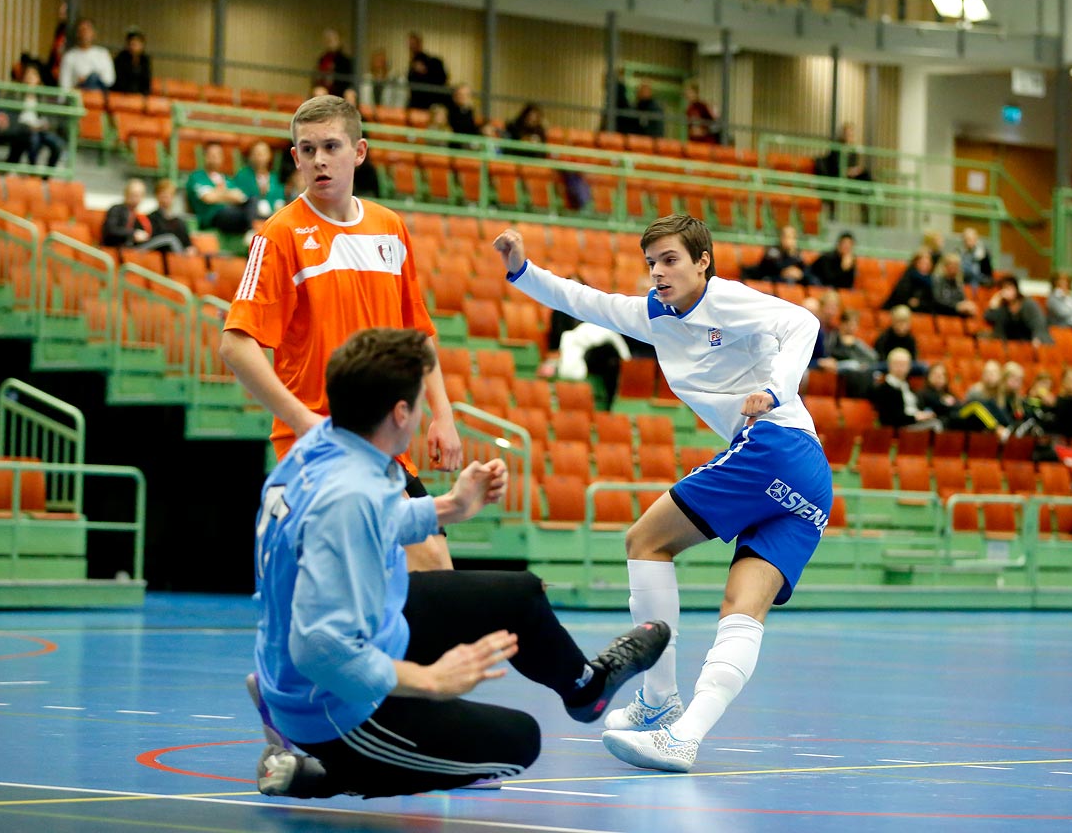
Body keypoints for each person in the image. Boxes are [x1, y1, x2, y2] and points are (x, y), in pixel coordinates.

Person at [249, 327, 670, 799]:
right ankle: (322, 771)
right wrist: (430, 679)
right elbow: (319, 647)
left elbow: (373, 519)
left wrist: (451, 506)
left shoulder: (322, 443)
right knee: (519, 742)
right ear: (401, 412)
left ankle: (586, 690)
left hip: (369, 628)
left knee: (520, 594)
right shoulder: (349, 497)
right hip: (336, 703)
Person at [492, 214, 830, 774]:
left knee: (646, 540)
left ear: (702, 261)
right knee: (742, 613)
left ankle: (657, 701)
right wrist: (522, 272)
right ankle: (684, 738)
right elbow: (585, 300)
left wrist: (774, 389)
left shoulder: (728, 299)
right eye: (651, 263)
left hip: (777, 446)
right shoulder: (654, 316)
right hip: (810, 479)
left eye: (670, 260)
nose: (657, 272)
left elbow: (803, 322)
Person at [220, 94, 463, 573]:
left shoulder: (389, 228)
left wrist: (443, 414)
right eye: (307, 150)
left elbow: (416, 333)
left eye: (331, 146)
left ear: (360, 152)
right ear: (295, 159)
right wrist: (304, 421)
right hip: (319, 449)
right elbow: (235, 344)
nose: (319, 160)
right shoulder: (279, 235)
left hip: (385, 443)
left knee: (430, 570)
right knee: (420, 566)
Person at [188, 143, 258, 236]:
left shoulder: (227, 179)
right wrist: (228, 194)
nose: (214, 158)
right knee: (245, 214)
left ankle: (250, 230)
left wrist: (217, 193)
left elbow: (239, 197)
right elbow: (208, 198)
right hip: (213, 216)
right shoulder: (197, 177)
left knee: (252, 200)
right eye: (211, 155)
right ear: (205, 157)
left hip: (234, 213)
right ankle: (250, 230)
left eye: (217, 155)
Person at [14, 64, 66, 167]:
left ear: (38, 79)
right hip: (24, 128)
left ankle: (47, 174)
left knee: (57, 144)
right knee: (34, 139)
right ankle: (33, 170)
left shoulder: (43, 96)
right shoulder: (16, 94)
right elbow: (12, 117)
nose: (30, 79)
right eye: (27, 75)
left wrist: (46, 124)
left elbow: (50, 117)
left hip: (41, 129)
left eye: (33, 76)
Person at [870, 348, 935, 430]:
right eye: (897, 364)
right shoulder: (883, 389)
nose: (900, 367)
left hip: (915, 423)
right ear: (889, 365)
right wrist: (915, 417)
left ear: (909, 367)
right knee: (936, 426)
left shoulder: (908, 387)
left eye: (904, 364)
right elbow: (889, 419)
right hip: (900, 428)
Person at [983, 276, 1052, 345]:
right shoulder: (1004, 307)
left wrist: (1037, 338)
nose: (1006, 292)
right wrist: (994, 304)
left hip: (1030, 342)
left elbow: (1038, 322)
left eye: (1009, 288)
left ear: (1016, 289)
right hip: (1012, 346)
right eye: (1003, 289)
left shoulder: (1028, 304)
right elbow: (988, 317)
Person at [826, 309, 879, 397]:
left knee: (874, 372)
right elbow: (829, 354)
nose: (852, 328)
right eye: (850, 324)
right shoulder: (833, 336)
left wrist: (855, 344)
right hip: (836, 366)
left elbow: (874, 356)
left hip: (855, 367)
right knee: (853, 365)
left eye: (855, 325)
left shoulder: (855, 341)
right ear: (842, 324)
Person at [58, 18, 116, 91]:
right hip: (78, 94)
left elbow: (109, 79)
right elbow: (64, 85)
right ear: (77, 33)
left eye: (88, 30)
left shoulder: (103, 54)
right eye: (82, 30)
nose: (85, 33)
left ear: (94, 33)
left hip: (98, 95)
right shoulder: (69, 56)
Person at [234, 140, 285, 220]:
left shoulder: (274, 178)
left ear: (269, 155)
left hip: (272, 217)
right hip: (250, 217)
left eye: (263, 153)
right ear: (250, 156)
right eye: (256, 153)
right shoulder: (243, 175)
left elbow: (279, 198)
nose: (260, 156)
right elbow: (240, 197)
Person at [743, 225, 808, 285]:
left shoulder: (797, 255)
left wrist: (799, 274)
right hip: (767, 280)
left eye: (792, 237)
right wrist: (785, 271)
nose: (789, 240)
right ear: (781, 237)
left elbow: (805, 270)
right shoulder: (773, 251)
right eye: (786, 237)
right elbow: (770, 268)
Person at [147, 178, 196, 254]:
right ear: (157, 196)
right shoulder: (152, 218)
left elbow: (188, 243)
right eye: (163, 195)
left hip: (179, 257)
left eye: (169, 195)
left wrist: (190, 249)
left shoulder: (179, 221)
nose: (166, 199)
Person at [405, 33, 448, 111]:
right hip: (417, 105)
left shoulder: (435, 62)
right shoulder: (412, 66)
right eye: (410, 45)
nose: (412, 47)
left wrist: (425, 72)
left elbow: (443, 80)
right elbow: (411, 84)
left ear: (419, 43)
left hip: (433, 104)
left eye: (414, 44)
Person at [930, 253, 978, 317]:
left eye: (956, 265)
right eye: (951, 265)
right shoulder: (937, 280)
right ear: (944, 266)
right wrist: (957, 306)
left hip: (954, 316)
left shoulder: (958, 283)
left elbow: (962, 299)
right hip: (940, 315)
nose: (954, 268)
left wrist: (967, 306)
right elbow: (937, 301)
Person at [313, 28, 354, 96]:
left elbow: (349, 81)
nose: (330, 42)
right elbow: (317, 79)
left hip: (341, 91)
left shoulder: (345, 61)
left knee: (350, 94)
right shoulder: (322, 59)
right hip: (325, 90)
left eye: (334, 39)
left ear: (339, 40)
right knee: (319, 92)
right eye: (328, 39)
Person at [111, 29, 152, 96]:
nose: (134, 46)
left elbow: (146, 81)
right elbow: (118, 81)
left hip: (139, 94)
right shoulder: (120, 58)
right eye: (132, 43)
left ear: (142, 45)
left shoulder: (145, 60)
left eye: (137, 43)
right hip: (121, 93)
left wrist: (143, 94)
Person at [917, 362, 959, 427]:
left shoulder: (949, 394)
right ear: (928, 376)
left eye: (942, 374)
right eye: (935, 374)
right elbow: (938, 407)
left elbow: (958, 406)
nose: (939, 377)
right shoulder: (922, 394)